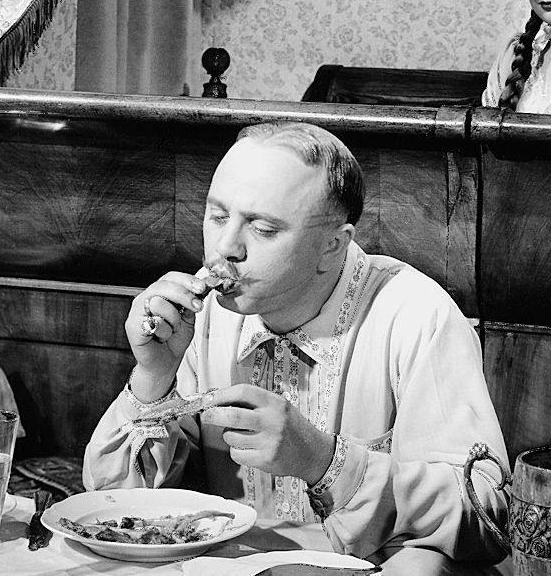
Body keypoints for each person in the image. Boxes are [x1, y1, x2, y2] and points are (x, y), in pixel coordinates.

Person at [83, 121, 510, 565]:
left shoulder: (415, 314)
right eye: (218, 216)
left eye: (263, 229)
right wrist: (153, 377)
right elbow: (115, 510)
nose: (225, 247)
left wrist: (323, 461)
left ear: (332, 246)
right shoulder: (200, 316)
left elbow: (487, 517)